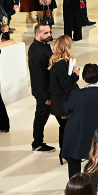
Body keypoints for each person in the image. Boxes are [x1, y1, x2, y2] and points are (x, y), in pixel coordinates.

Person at [61, 64, 98, 179]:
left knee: (74, 162)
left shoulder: (76, 94)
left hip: (76, 131)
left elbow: (66, 108)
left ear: (83, 77)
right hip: (96, 133)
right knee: (96, 162)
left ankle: (75, 188)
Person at [49, 35, 81, 160]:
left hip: (60, 99)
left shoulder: (55, 62)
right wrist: (76, 75)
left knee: (65, 127)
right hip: (63, 100)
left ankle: (66, 152)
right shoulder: (61, 64)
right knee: (67, 128)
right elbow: (65, 84)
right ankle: (67, 153)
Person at [27, 23, 57, 153]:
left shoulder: (42, 46)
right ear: (37, 34)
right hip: (43, 92)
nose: (49, 35)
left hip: (45, 91)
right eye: (46, 33)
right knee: (41, 117)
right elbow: (40, 77)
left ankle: (37, 142)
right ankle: (37, 143)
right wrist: (47, 96)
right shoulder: (38, 52)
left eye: (49, 32)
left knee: (43, 116)